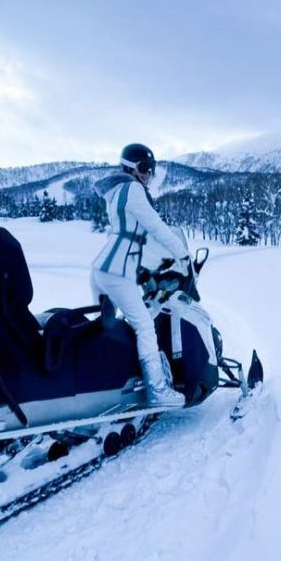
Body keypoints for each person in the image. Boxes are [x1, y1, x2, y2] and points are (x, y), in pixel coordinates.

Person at [91, 143, 190, 408]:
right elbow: (156, 228)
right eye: (145, 168)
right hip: (116, 272)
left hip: (102, 269)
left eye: (151, 170)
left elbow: (133, 235)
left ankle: (105, 388)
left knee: (109, 331)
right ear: (130, 167)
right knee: (145, 326)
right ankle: (158, 391)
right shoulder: (133, 189)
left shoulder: (115, 192)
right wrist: (182, 255)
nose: (148, 175)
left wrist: (151, 265)